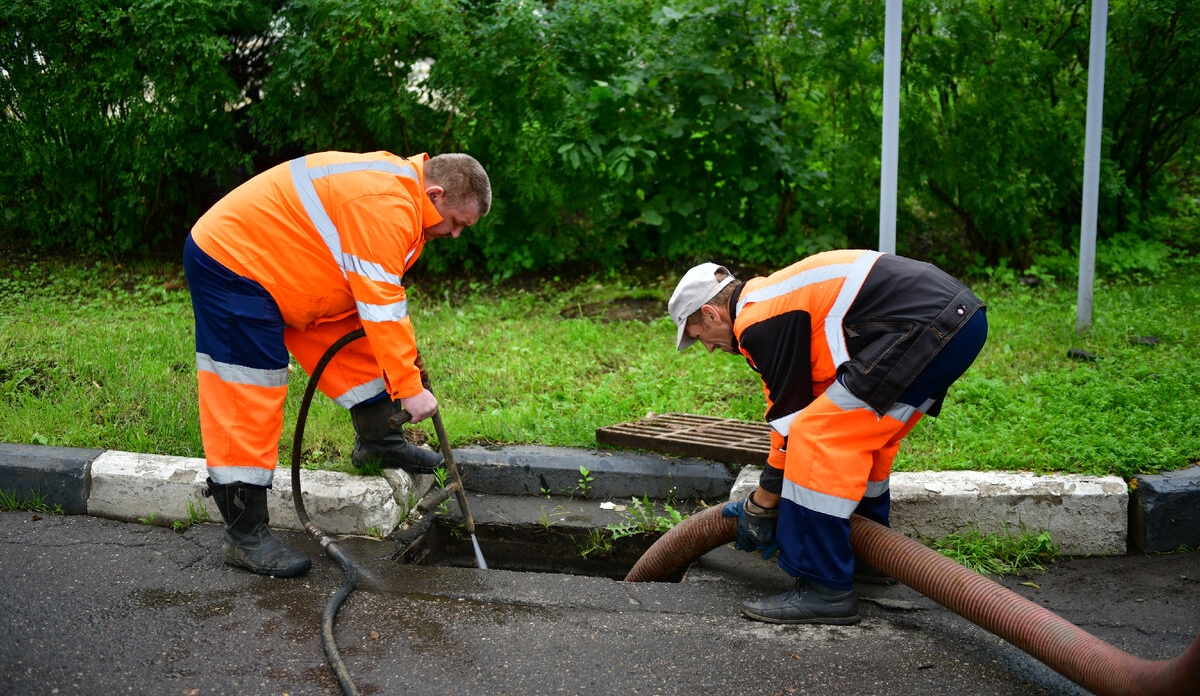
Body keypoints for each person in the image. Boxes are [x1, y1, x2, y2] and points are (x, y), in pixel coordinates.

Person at [183, 150, 491, 578]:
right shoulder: (387, 203)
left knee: (357, 348)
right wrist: (410, 387)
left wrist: (404, 365)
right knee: (250, 391)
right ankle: (244, 536)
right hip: (235, 264)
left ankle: (378, 442)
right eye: (457, 223)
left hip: (293, 271)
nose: (456, 234)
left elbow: (378, 299)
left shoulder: (406, 196)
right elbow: (382, 304)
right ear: (435, 194)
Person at [668, 250, 987, 624]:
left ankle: (825, 588)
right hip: (958, 323)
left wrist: (763, 502)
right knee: (863, 436)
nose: (707, 348)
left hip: (927, 325)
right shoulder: (772, 301)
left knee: (817, 436)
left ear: (710, 313)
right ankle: (863, 553)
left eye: (699, 336)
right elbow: (794, 406)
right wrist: (768, 495)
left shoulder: (760, 321)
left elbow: (793, 425)